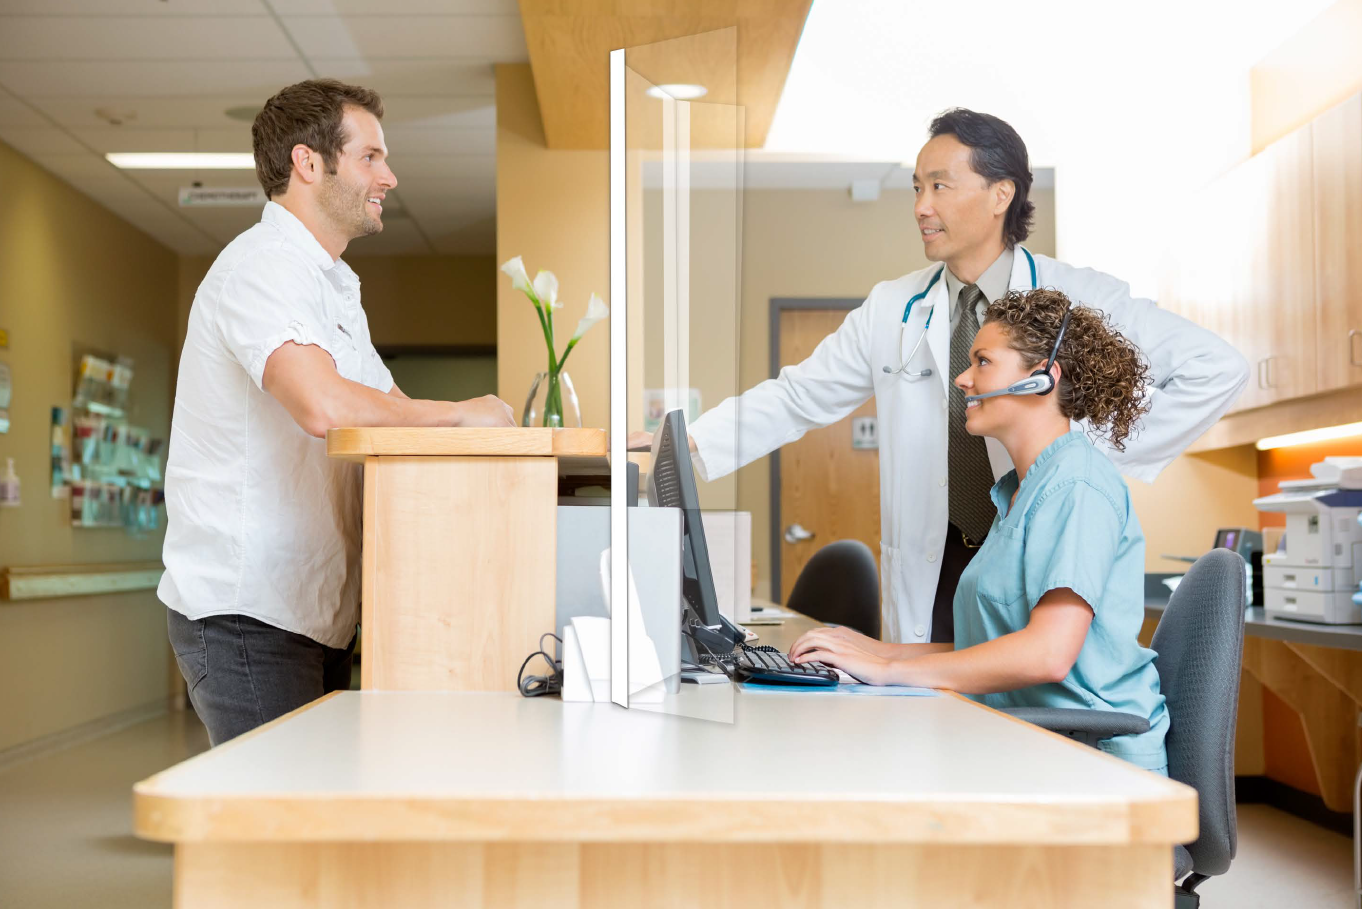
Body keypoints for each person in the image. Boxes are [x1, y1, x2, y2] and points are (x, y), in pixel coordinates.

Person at [632, 108, 1248, 646]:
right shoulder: (891, 308)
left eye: (940, 186)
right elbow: (799, 396)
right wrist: (686, 447)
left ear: (1001, 194)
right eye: (917, 188)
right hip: (936, 566)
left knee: (1026, 711)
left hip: (1034, 554)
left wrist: (1086, 454)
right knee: (931, 736)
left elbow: (1216, 368)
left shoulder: (1077, 298)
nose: (921, 207)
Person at [159, 79, 516, 746]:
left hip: (313, 613)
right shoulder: (261, 267)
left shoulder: (334, 288)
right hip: (249, 616)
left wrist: (481, 422)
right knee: (282, 832)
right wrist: (461, 415)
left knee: (311, 826)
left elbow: (390, 408)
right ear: (308, 162)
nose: (390, 175)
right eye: (371, 157)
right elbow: (322, 403)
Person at [790, 287, 1169, 773]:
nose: (963, 379)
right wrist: (872, 650)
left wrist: (888, 671)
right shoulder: (1018, 491)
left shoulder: (1077, 484)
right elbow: (990, 647)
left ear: (1040, 380)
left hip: (1094, 762)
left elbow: (1048, 654)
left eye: (983, 361)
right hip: (1033, 742)